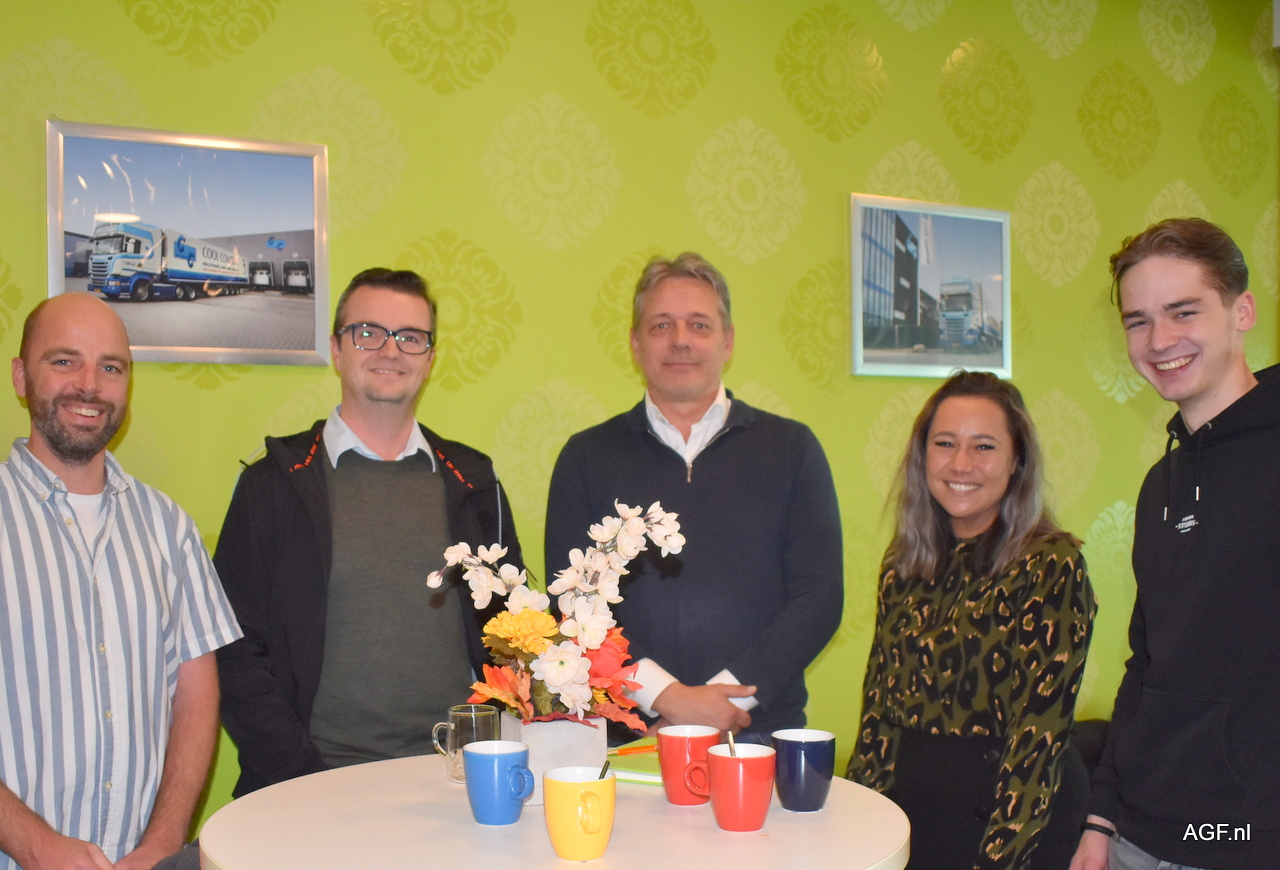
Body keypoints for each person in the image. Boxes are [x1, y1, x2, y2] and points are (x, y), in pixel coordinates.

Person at [214, 268, 523, 796]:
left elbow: (513, 635)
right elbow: (233, 651)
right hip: (313, 787)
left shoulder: (473, 482)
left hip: (456, 785)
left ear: (430, 358)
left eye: (411, 337)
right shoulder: (273, 484)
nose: (391, 349)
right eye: (368, 333)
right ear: (337, 349)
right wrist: (299, 777)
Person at [544, 252, 843, 740]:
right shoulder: (585, 457)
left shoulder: (791, 449)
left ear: (728, 342)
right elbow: (574, 602)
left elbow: (819, 598)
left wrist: (725, 700)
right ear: (635, 343)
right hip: (628, 733)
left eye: (699, 325)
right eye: (661, 325)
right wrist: (666, 697)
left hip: (757, 731)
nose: (680, 339)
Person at [0, 293, 242, 870]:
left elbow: (196, 698)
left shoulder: (169, 527)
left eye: (111, 367)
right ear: (20, 377)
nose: (89, 385)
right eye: (64, 361)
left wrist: (161, 845)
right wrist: (36, 846)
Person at [1070, 218, 1278, 870]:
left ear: (1242, 311)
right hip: (1136, 835)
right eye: (1138, 321)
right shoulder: (1161, 483)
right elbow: (1149, 660)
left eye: (1183, 311)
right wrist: (1101, 815)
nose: (1159, 341)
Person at [847, 370, 1096, 870]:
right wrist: (857, 828)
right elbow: (878, 713)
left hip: (1014, 820)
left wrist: (999, 859)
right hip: (916, 815)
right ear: (923, 456)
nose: (961, 463)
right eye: (945, 443)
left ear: (1016, 460)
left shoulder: (1050, 564)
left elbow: (1039, 735)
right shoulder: (903, 564)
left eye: (984, 446)